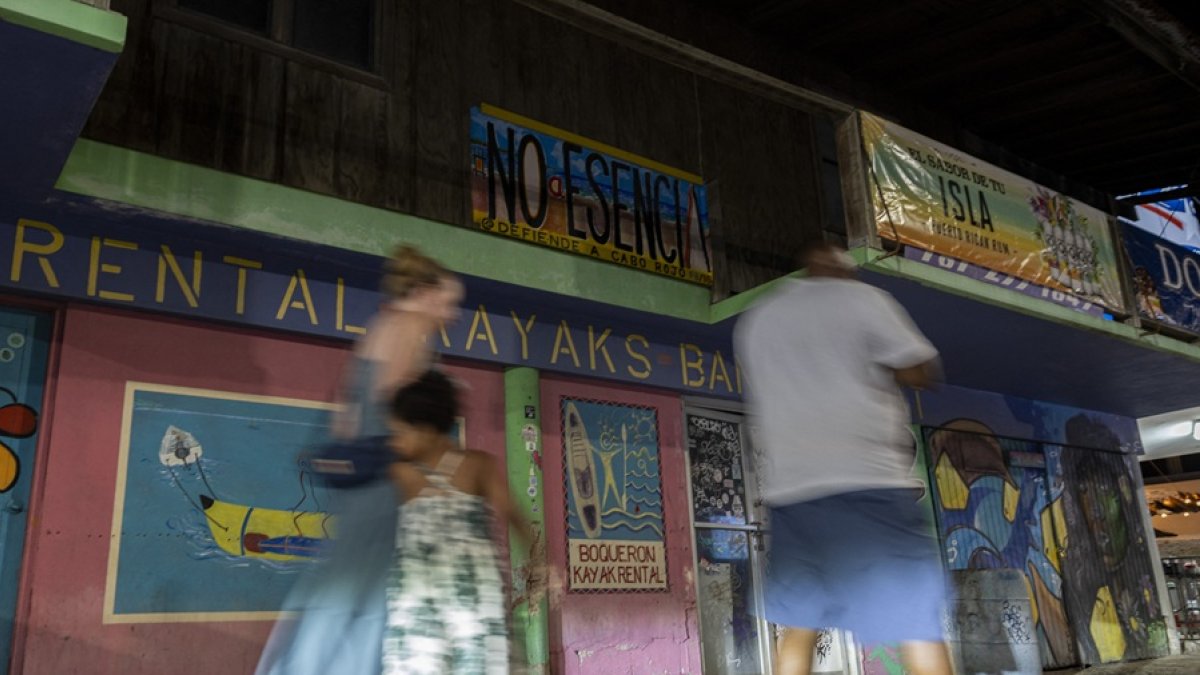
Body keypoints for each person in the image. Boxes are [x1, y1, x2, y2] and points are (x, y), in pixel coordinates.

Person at [734, 241, 952, 675]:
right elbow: (923, 369)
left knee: (800, 624)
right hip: (867, 483)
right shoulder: (863, 299)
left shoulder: (757, 318)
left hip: (792, 494)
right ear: (841, 266)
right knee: (916, 622)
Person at [256, 245, 463, 675]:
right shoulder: (414, 325)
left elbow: (346, 419)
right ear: (424, 293)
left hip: (359, 481)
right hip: (388, 477)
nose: (453, 313)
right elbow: (399, 405)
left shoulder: (379, 325)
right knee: (371, 587)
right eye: (449, 302)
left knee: (342, 580)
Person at [381, 369, 535, 674]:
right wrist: (539, 564)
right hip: (476, 598)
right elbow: (517, 520)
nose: (394, 443)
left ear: (425, 430)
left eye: (399, 433)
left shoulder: (401, 474)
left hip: (418, 600)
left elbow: (515, 518)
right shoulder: (479, 465)